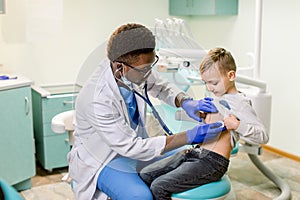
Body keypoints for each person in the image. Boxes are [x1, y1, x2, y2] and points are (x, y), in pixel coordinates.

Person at [67, 23, 225, 200]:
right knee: (141, 197)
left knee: (187, 157)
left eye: (151, 64)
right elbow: (131, 146)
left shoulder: (134, 68)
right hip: (104, 161)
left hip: (135, 150)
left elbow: (161, 86)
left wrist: (186, 102)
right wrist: (187, 135)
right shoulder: (96, 98)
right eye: (145, 69)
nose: (149, 72)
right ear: (120, 67)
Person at [139, 47, 270, 200]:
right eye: (206, 83)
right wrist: (197, 112)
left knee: (159, 186)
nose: (209, 88)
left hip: (213, 163)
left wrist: (237, 125)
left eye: (213, 83)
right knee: (145, 174)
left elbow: (263, 136)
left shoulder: (241, 103)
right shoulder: (216, 96)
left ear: (231, 75)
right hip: (194, 153)